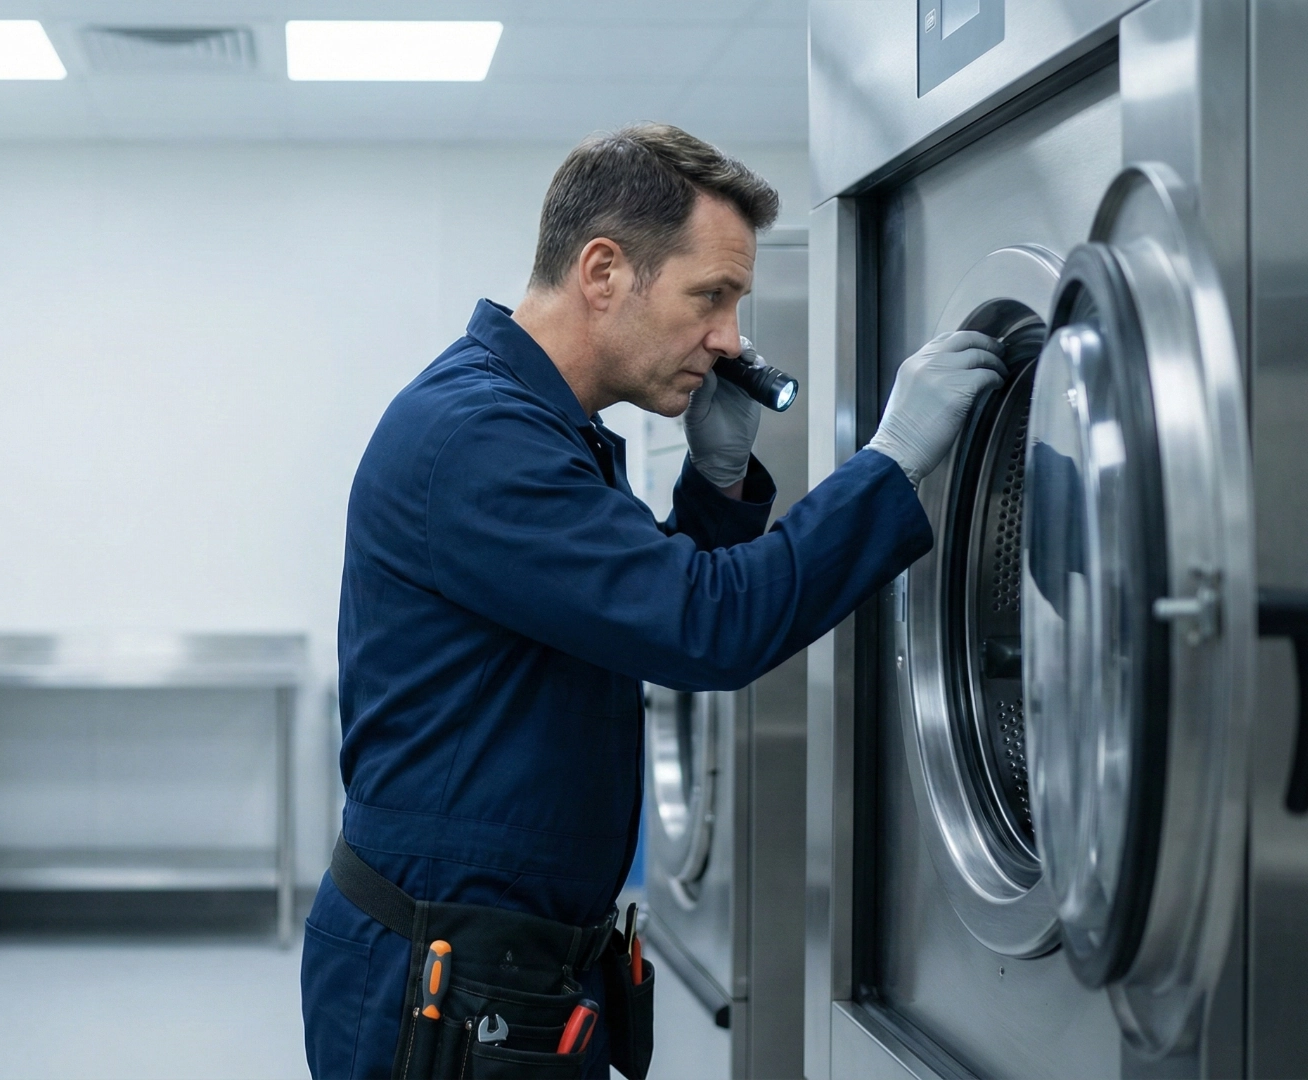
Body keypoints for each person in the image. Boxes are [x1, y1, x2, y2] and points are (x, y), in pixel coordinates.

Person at [300, 123, 1006, 1079]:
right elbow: (704, 627)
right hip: (443, 982)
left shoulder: (547, 425)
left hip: (505, 970)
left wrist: (717, 488)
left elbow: (628, 619)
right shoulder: (479, 438)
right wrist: (890, 466)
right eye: (709, 297)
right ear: (603, 272)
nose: (728, 338)